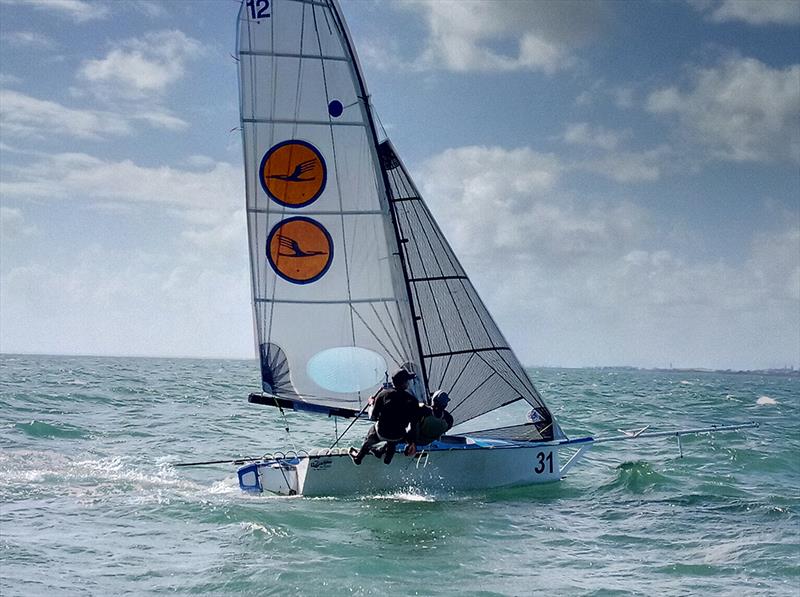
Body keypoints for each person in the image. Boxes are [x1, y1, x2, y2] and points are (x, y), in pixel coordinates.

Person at [350, 368, 420, 465]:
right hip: (398, 436)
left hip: (381, 433)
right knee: (396, 430)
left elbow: (372, 417)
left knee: (373, 432)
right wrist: (412, 442)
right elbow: (413, 425)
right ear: (405, 383)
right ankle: (387, 458)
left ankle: (359, 457)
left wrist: (371, 404)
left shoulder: (383, 395)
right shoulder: (413, 401)